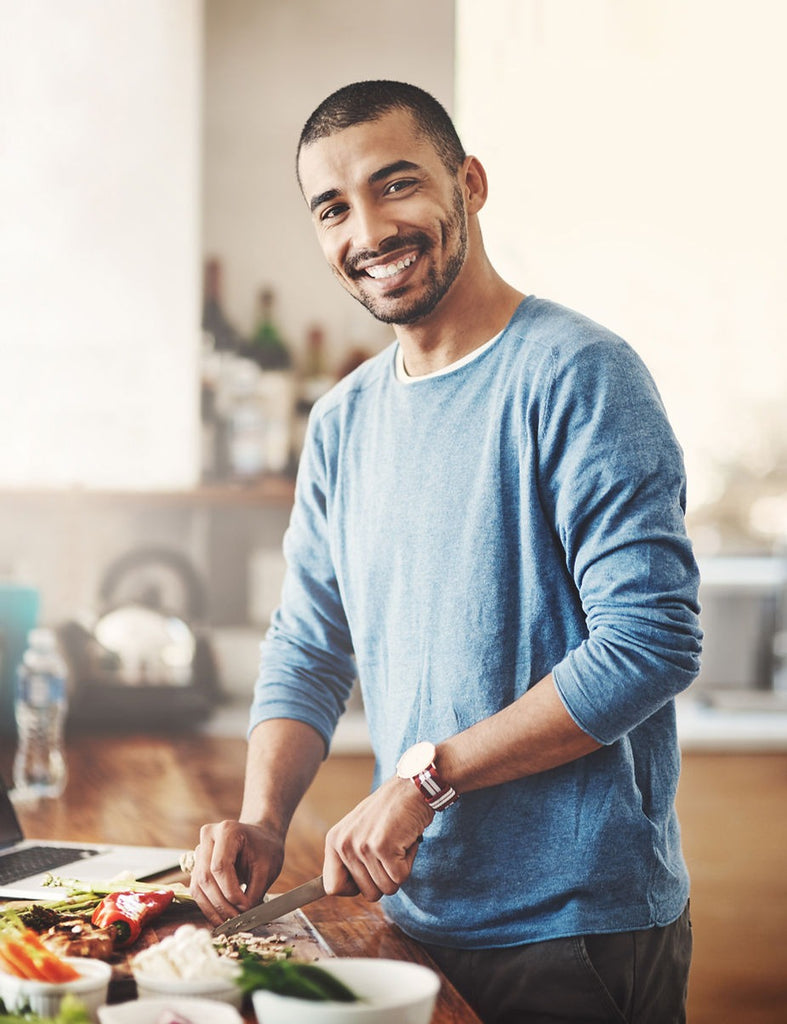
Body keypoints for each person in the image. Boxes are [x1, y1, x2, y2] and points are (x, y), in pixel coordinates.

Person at [191, 80, 702, 1024]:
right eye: (333, 208)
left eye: (396, 186)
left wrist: (427, 778)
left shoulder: (580, 375)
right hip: (413, 916)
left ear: (467, 182)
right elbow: (307, 646)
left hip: (573, 933)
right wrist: (266, 818)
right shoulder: (343, 420)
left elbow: (650, 642)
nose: (370, 229)